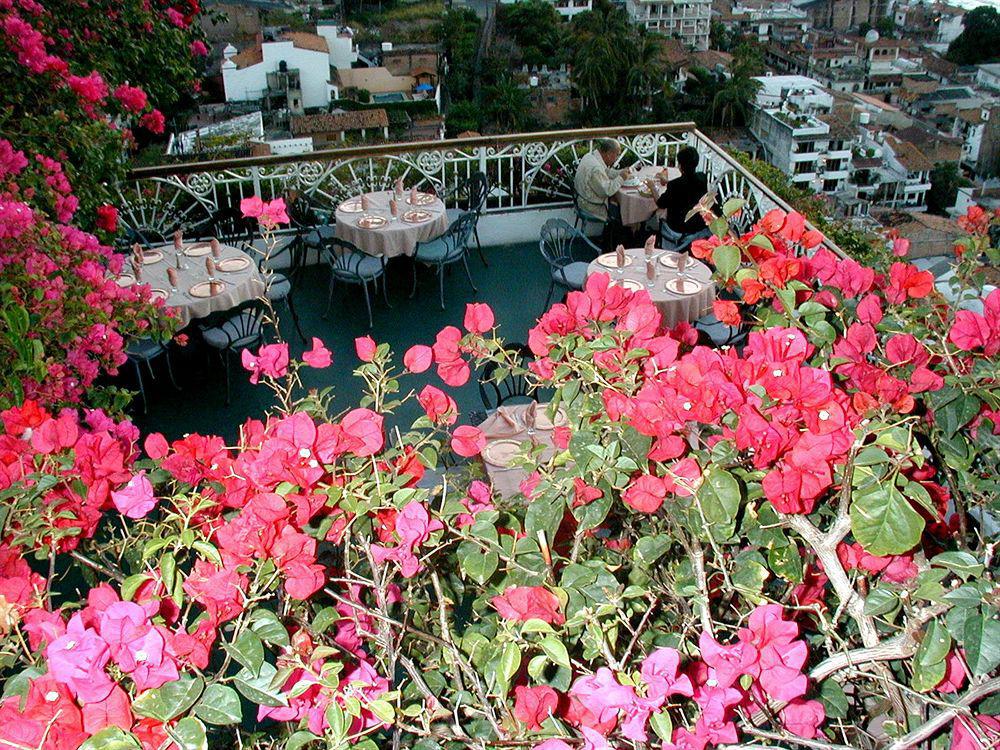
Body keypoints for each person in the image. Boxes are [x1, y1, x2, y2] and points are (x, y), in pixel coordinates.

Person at [647, 146, 715, 247]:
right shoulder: (702, 178)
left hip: (677, 229)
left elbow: (660, 203)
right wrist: (666, 181)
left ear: (680, 166)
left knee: (656, 216)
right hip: (697, 226)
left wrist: (652, 187)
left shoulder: (675, 185)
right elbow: (687, 186)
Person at [574, 139, 632, 223]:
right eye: (617, 155)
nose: (617, 158)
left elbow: (605, 172)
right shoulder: (596, 168)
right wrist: (621, 178)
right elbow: (607, 191)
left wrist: (621, 172)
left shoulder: (590, 156)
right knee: (627, 212)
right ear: (609, 154)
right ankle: (620, 234)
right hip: (591, 206)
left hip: (581, 199)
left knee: (620, 204)